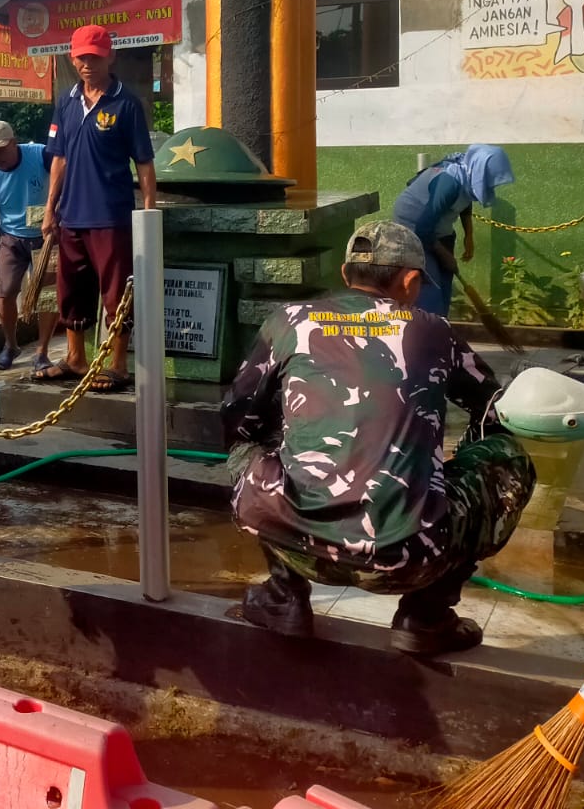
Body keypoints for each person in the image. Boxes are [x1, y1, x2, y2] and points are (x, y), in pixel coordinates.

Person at [223, 220, 536, 655]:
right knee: (507, 456)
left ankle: (283, 595)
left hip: (297, 542)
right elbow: (494, 409)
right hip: (409, 559)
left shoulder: (288, 321)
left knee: (252, 447)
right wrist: (445, 470)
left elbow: (237, 416)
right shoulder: (432, 331)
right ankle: (426, 615)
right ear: (409, 281)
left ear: (346, 275)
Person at [41, 25, 156, 391]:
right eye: (82, 57)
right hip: (71, 215)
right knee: (71, 291)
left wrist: (149, 214)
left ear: (111, 56)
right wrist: (50, 208)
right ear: (71, 58)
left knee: (116, 293)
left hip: (111, 216)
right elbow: (58, 158)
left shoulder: (126, 103)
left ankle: (118, 365)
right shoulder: (66, 101)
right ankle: (76, 359)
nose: (88, 64)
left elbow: (144, 161)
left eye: (95, 56)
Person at [392, 145, 514, 317]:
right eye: (490, 179)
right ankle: (429, 328)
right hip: (412, 228)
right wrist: (445, 255)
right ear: (480, 171)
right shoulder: (448, 183)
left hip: (439, 228)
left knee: (445, 279)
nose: (491, 185)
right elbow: (424, 228)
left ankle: (442, 323)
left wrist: (468, 236)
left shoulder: (467, 177)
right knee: (430, 285)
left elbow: (465, 201)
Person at [0, 120, 59, 372]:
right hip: (11, 238)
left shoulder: (41, 155)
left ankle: (42, 350)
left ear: (13, 143)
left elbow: (62, 178)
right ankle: (10, 345)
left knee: (48, 296)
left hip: (47, 236)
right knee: (5, 293)